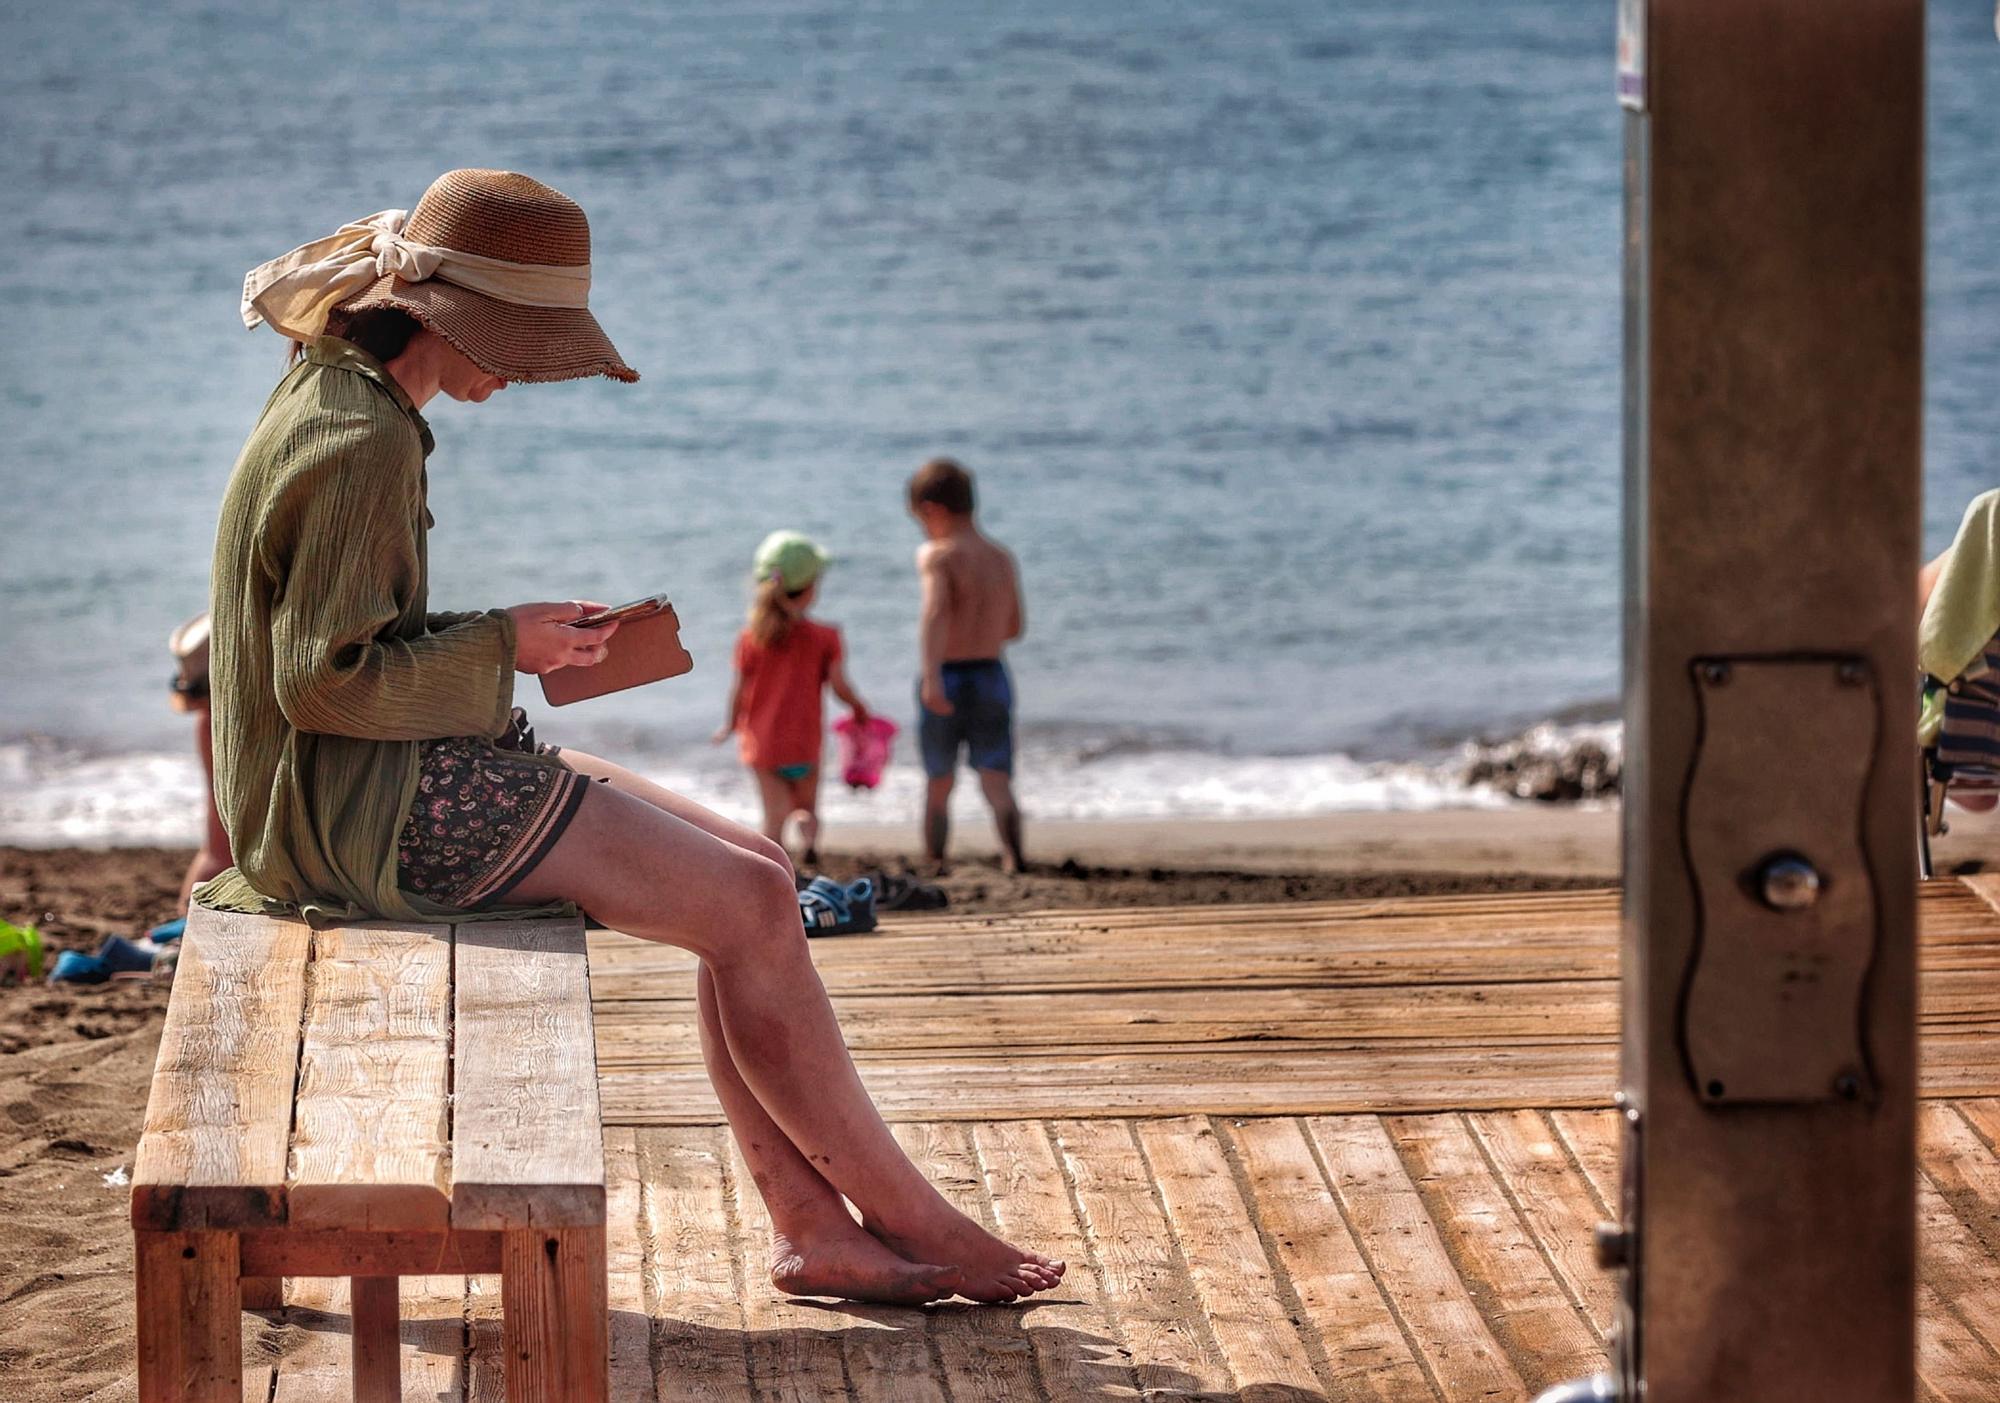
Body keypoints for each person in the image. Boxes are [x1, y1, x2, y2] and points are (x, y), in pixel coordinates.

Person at [200, 170, 1061, 1305]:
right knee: (749, 908)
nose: (519, 368)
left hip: (363, 782)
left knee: (762, 873)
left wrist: (511, 635)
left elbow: (340, 647)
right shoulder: (363, 439)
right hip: (354, 813)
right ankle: (908, 1217)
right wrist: (500, 641)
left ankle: (816, 1227)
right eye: (516, 339)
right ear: (440, 313)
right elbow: (323, 682)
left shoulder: (338, 393)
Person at [714, 530, 872, 867]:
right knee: (808, 809)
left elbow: (739, 691)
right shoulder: (826, 637)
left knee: (774, 816)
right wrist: (859, 709)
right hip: (804, 744)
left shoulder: (750, 639)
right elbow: (840, 686)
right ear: (811, 589)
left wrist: (729, 725)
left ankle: (773, 870)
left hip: (764, 745)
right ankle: (810, 842)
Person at [908, 457, 1027, 873]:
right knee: (997, 777)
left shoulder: (937, 555)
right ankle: (1014, 856)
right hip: (992, 673)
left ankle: (935, 859)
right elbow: (1014, 627)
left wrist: (931, 676)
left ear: (931, 510)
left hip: (950, 674)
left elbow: (935, 613)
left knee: (940, 780)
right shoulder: (1001, 558)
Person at [167, 612, 234, 914]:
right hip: (222, 867)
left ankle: (184, 915)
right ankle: (185, 916)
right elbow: (220, 848)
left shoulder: (210, 721)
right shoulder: (214, 726)